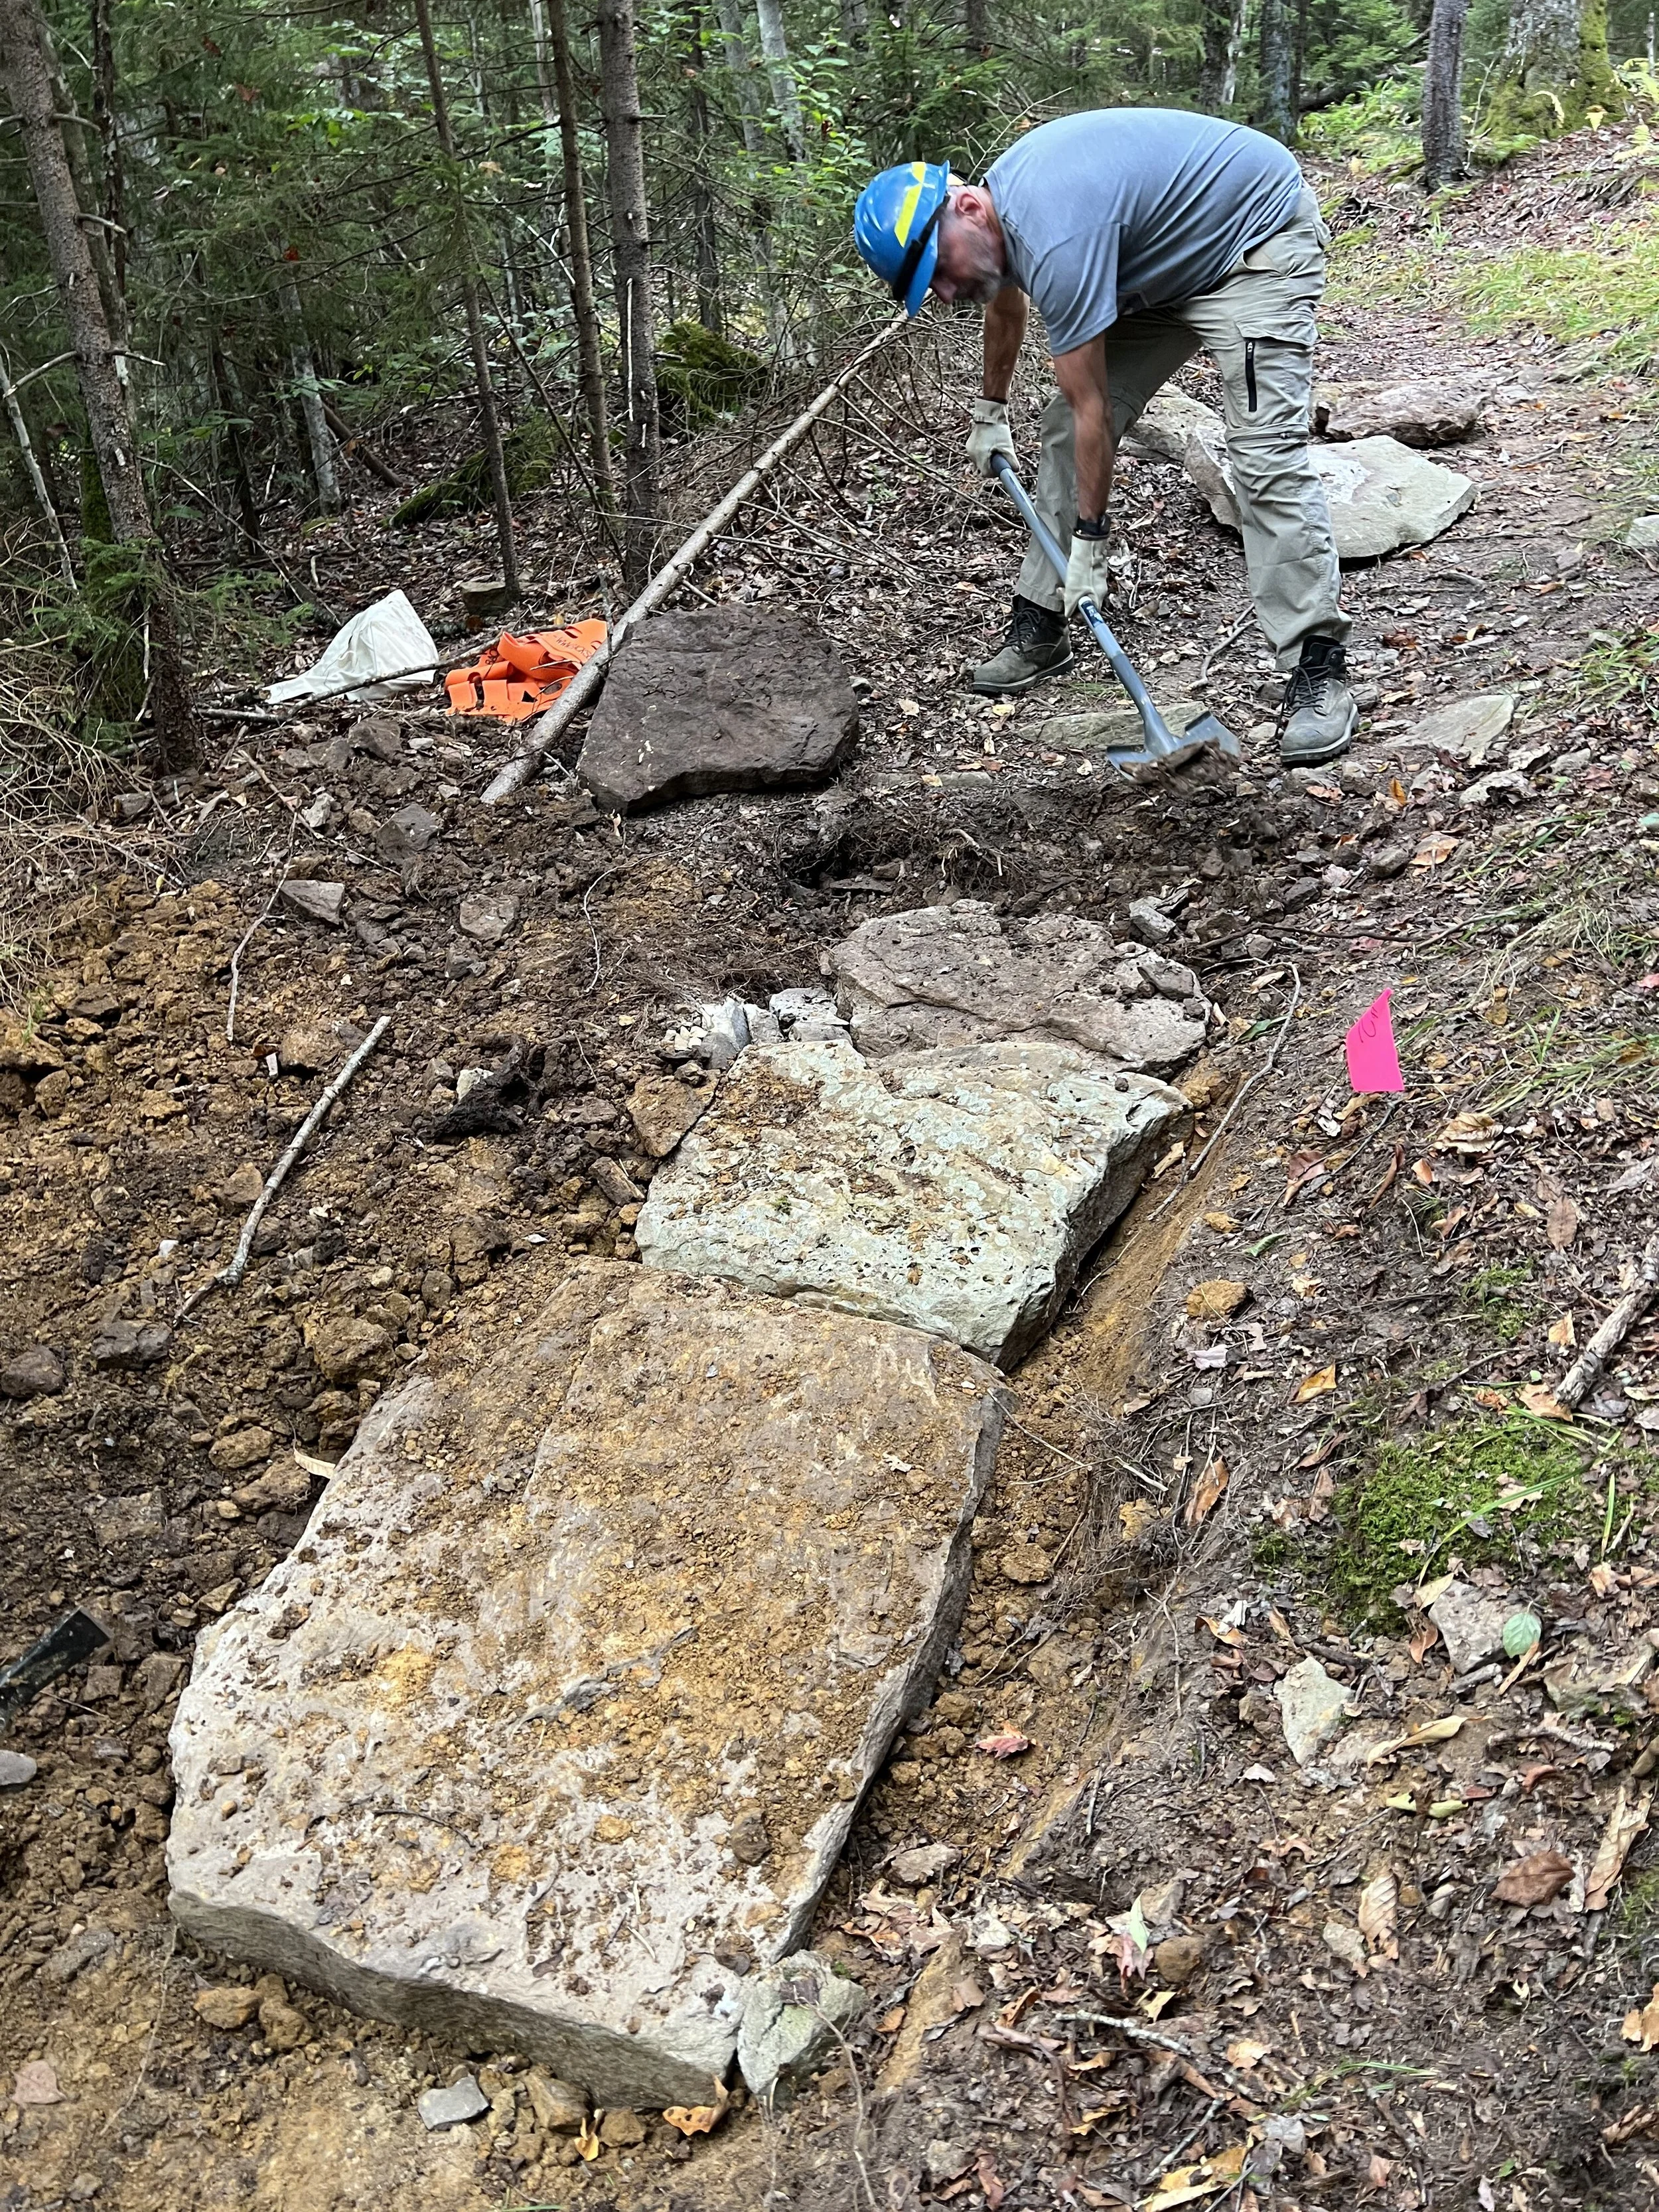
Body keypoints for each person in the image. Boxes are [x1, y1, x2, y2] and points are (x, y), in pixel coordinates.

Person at [853, 112, 1356, 767]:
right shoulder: (1000, 224)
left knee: (1262, 458)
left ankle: (1317, 669)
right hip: (1166, 264)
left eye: (938, 270)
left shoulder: (1055, 236)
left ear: (967, 207)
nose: (945, 294)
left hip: (1252, 241)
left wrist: (1093, 540)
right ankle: (1041, 624)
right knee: (1060, 428)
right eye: (929, 289)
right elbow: (1005, 303)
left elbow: (1094, 404)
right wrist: (990, 408)